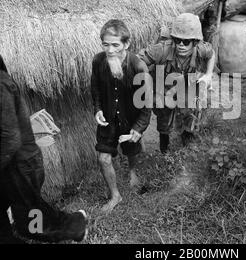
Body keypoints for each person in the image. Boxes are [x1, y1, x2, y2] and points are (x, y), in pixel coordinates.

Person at [0, 55, 88, 244]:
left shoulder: (1, 84)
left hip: (21, 165)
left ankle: (74, 226)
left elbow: (11, 138)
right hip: (11, 165)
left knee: (31, 218)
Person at [91, 19, 151, 213]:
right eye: (105, 44)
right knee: (103, 158)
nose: (110, 50)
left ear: (126, 44)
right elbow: (96, 89)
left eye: (115, 45)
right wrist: (98, 109)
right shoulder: (98, 61)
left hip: (130, 119)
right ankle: (115, 195)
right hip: (108, 119)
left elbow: (146, 104)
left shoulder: (139, 67)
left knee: (131, 149)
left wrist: (138, 128)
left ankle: (133, 171)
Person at [139, 13, 215, 153]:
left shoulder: (200, 49)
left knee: (191, 110)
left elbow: (211, 54)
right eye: (178, 40)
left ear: (195, 42)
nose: (181, 45)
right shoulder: (161, 49)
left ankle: (187, 138)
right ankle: (164, 150)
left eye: (186, 42)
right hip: (163, 87)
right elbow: (138, 61)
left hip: (186, 85)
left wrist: (209, 75)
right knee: (164, 119)